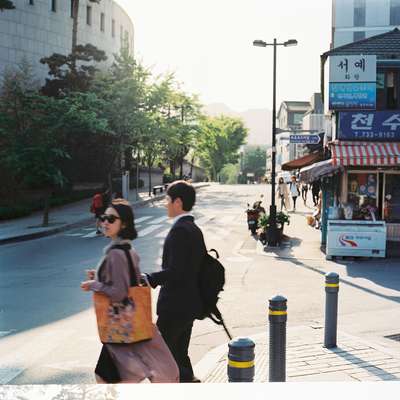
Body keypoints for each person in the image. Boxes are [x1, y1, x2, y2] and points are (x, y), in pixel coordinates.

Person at [80, 200, 179, 384]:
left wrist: (94, 285)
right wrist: (100, 277)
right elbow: (128, 280)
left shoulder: (116, 253)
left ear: (123, 223)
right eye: (103, 218)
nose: (105, 223)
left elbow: (119, 293)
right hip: (126, 325)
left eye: (111, 219)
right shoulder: (127, 249)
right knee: (115, 377)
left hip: (118, 325)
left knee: (106, 378)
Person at [146, 181, 207, 383]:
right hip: (189, 305)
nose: (165, 203)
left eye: (167, 199)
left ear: (178, 202)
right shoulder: (194, 229)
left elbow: (176, 271)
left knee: (162, 357)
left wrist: (150, 278)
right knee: (178, 356)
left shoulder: (181, 230)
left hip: (175, 306)